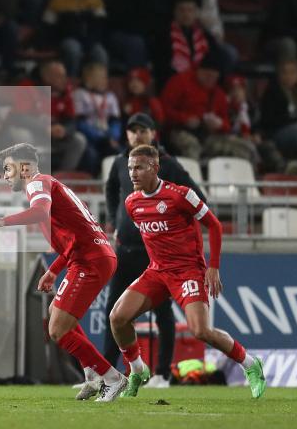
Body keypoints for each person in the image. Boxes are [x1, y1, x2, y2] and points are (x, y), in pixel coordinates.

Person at [106, 144, 266, 401]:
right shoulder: (131, 202)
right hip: (157, 272)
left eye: (139, 167)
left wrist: (212, 266)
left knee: (200, 331)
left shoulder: (181, 195)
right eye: (130, 168)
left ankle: (250, 364)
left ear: (155, 167)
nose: (133, 173)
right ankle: (137, 370)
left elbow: (213, 225)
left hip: (187, 272)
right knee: (117, 317)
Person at [0, 143, 126, 402]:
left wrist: (5, 220)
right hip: (89, 256)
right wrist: (54, 271)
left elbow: (39, 212)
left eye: (7, 169)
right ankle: (92, 375)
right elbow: (74, 235)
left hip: (90, 260)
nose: (4, 176)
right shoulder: (50, 185)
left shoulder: (37, 183)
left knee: (57, 329)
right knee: (56, 317)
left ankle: (112, 378)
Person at [103, 113, 205, 386]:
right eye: (132, 131)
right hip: (125, 249)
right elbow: (111, 189)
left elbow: (198, 202)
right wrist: (114, 220)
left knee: (162, 314)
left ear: (153, 134)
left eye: (142, 130)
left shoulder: (168, 165)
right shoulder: (119, 163)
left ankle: (162, 373)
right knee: (114, 311)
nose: (137, 135)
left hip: (156, 254)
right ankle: (108, 373)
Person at [43, 0, 108, 77]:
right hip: (67, 39)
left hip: (89, 40)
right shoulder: (57, 1)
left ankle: (99, 82)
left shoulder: (95, 1)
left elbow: (100, 25)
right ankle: (71, 81)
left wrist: (91, 40)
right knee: (73, 49)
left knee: (100, 53)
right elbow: (47, 26)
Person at [73, 61, 121, 173]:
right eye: (101, 77)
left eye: (105, 77)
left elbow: (115, 121)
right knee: (91, 155)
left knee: (118, 152)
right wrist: (100, 137)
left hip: (107, 137)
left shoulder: (110, 97)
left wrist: (113, 136)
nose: (106, 81)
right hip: (89, 138)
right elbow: (80, 122)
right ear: (89, 79)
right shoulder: (80, 94)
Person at [40, 60, 86, 172]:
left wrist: (64, 130)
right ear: (47, 77)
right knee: (21, 134)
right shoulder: (32, 90)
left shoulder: (66, 94)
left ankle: (61, 179)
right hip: (36, 135)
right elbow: (20, 118)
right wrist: (45, 129)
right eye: (59, 76)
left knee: (79, 140)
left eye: (64, 76)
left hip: (56, 138)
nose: (64, 80)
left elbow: (72, 121)